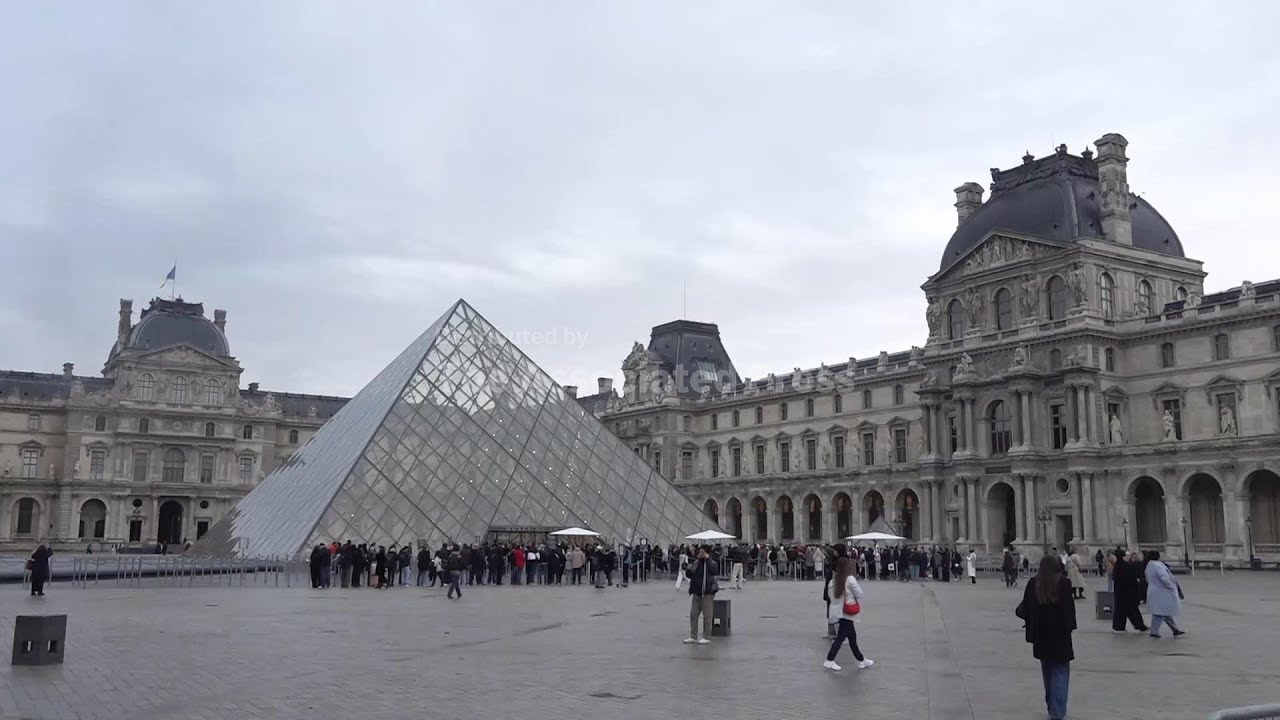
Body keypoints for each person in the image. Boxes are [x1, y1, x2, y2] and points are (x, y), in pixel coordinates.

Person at [1016, 555, 1077, 720]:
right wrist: (1069, 627)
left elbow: (1023, 609)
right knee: (1061, 672)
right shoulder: (1064, 583)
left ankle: (1052, 706)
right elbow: (1069, 610)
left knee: (1048, 672)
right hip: (1060, 635)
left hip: (1041, 635)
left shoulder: (1033, 584)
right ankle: (1058, 710)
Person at [824, 557, 873, 671]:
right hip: (847, 611)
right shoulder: (850, 579)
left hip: (838, 611)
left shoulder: (833, 581)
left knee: (852, 637)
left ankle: (861, 660)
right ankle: (829, 660)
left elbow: (831, 597)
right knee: (841, 637)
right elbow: (859, 593)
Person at [683, 545, 719, 645]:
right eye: (699, 551)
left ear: (707, 553)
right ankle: (693, 636)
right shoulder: (696, 562)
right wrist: (687, 569)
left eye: (702, 552)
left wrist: (707, 560)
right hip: (697, 592)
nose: (700, 553)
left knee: (707, 615)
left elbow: (715, 571)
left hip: (707, 592)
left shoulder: (711, 563)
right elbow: (690, 574)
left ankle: (706, 636)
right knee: (693, 615)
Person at [1144, 551, 1185, 638]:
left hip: (1154, 591)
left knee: (1164, 611)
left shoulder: (1149, 565)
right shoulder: (1158, 565)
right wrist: (1171, 586)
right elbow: (1164, 578)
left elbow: (1147, 578)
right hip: (1162, 592)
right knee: (1160, 612)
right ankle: (1154, 631)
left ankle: (1175, 629)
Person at [1111, 549, 1149, 633]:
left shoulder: (1119, 565)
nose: (1128, 557)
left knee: (1124, 610)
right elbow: (1129, 579)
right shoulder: (1124, 566)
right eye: (1126, 555)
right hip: (1128, 593)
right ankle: (1138, 625)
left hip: (1121, 593)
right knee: (1131, 610)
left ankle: (1120, 626)